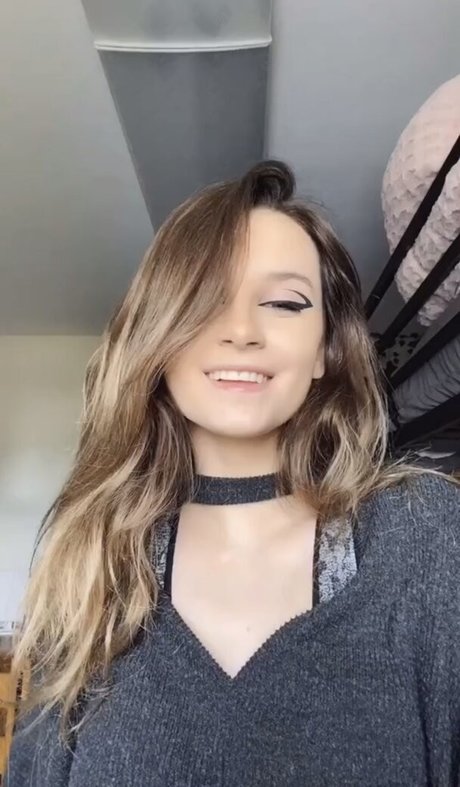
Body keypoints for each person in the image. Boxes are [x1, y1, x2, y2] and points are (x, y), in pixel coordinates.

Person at [5, 160, 460, 786]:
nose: (242, 331)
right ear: (158, 336)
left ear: (325, 351)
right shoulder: (87, 566)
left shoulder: (425, 534)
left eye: (284, 303)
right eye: (204, 298)